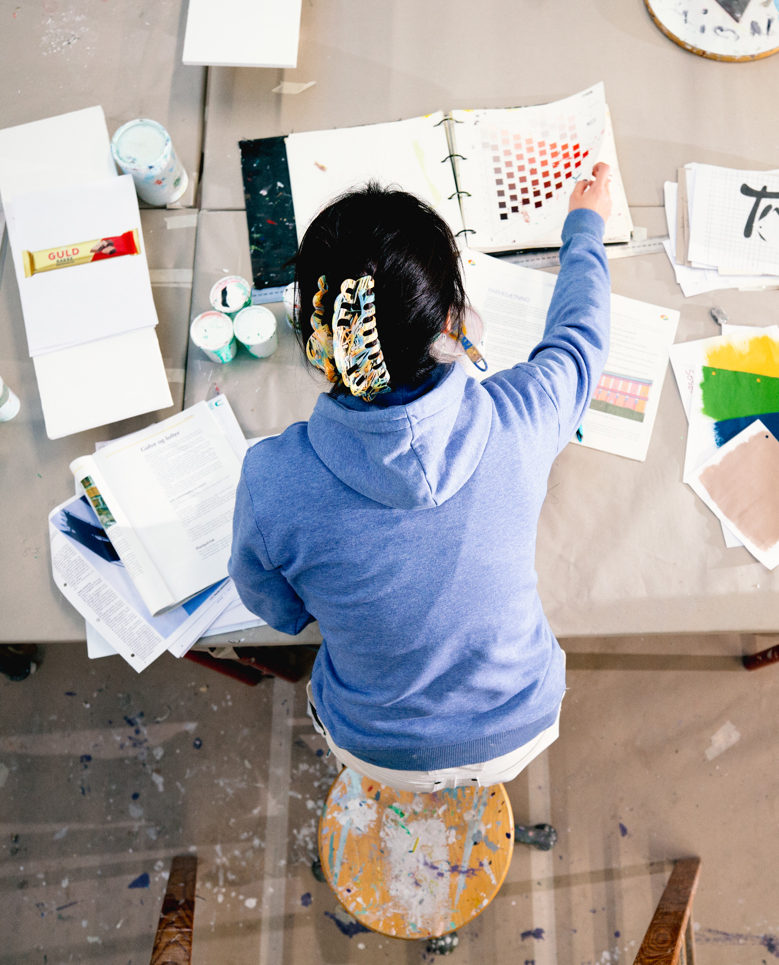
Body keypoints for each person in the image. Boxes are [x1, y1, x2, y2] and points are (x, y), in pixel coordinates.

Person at [229, 163, 613, 791]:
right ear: (451, 322)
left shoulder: (270, 482)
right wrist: (585, 225)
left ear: (316, 338)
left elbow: (277, 610)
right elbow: (580, 340)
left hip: (377, 748)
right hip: (524, 720)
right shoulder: (525, 416)